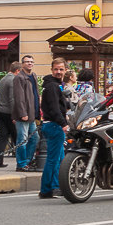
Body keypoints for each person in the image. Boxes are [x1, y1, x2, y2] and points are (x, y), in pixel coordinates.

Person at [37, 58, 70, 199]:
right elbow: (54, 108)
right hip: (54, 125)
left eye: (61, 69)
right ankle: (47, 189)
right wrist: (64, 124)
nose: (58, 72)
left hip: (52, 124)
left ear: (65, 70)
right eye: (56, 69)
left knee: (60, 159)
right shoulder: (52, 86)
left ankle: (57, 186)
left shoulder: (55, 85)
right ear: (51, 70)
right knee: (53, 159)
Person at [12, 54, 41, 172]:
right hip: (23, 114)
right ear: (22, 64)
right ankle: (21, 164)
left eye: (31, 62)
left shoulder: (33, 75)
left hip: (32, 113)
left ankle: (28, 161)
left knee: (35, 138)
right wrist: (23, 113)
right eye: (27, 62)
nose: (30, 63)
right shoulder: (19, 77)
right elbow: (19, 97)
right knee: (22, 139)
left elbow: (36, 93)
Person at [0, 62, 20, 169]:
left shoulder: (3, 79)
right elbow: (12, 98)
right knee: (17, 136)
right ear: (17, 71)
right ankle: (21, 161)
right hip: (9, 112)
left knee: (2, 137)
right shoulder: (13, 80)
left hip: (0, 110)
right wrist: (15, 115)